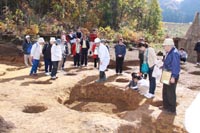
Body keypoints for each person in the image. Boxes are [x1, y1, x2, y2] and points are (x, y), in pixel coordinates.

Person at [161, 38, 180, 115]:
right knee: (165, 90)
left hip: (171, 75)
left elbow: (176, 66)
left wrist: (173, 76)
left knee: (171, 92)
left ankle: (172, 109)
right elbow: (167, 63)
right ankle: (165, 106)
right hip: (166, 73)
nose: (164, 47)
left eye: (165, 46)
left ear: (169, 45)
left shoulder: (174, 53)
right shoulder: (169, 52)